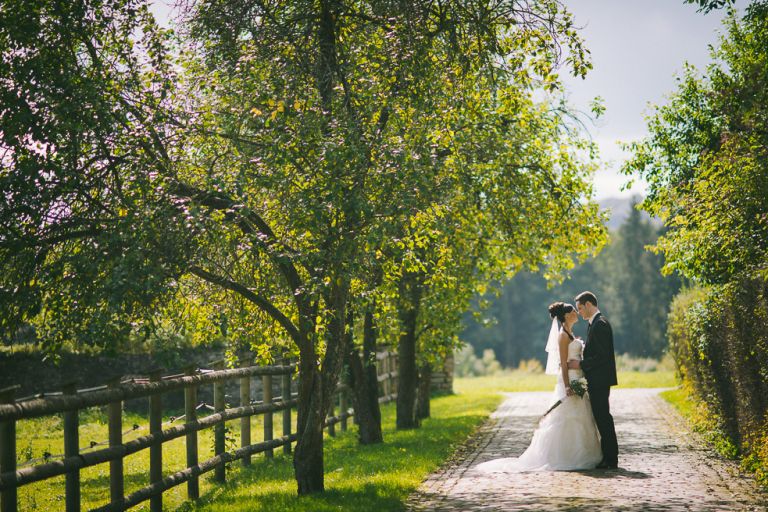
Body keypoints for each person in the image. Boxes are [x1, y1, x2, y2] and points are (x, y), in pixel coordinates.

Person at [473, 302, 602, 472]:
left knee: (582, 417)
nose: (576, 312)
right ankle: (565, 456)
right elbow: (563, 364)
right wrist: (567, 385)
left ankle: (585, 454)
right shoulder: (563, 336)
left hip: (579, 377)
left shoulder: (571, 333)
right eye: (573, 311)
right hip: (569, 380)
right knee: (567, 418)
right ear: (566, 315)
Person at [568, 291, 619, 469]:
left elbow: (602, 356)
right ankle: (608, 457)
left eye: (580, 308)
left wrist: (581, 364)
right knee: (601, 417)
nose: (579, 312)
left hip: (600, 380)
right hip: (597, 379)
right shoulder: (594, 324)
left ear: (589, 304)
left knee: (603, 417)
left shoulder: (600, 324)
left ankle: (611, 459)